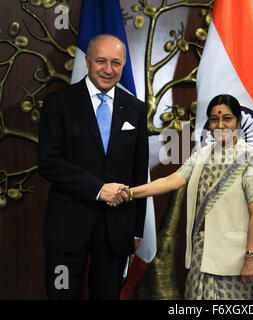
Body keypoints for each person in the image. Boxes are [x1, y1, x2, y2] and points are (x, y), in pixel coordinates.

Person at [117, 94, 253, 300]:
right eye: (215, 119)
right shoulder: (202, 155)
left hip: (234, 260)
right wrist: (130, 193)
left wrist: (251, 258)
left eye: (227, 118)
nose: (220, 124)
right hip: (202, 255)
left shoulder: (250, 159)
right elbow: (171, 181)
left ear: (238, 122)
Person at [38, 34, 149, 299]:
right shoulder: (58, 103)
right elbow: (49, 163)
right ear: (87, 62)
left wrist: (136, 230)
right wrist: (99, 189)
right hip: (67, 227)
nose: (108, 69)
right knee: (60, 294)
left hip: (116, 230)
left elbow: (138, 171)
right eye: (101, 61)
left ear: (123, 65)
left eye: (116, 63)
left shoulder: (135, 109)